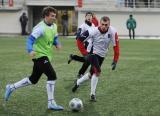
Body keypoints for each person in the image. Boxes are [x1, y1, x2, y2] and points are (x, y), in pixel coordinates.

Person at [4, 6, 64, 111]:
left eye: (55, 16)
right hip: (39, 55)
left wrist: (57, 44)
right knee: (52, 75)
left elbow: (54, 38)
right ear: (46, 16)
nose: (54, 18)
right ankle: (51, 103)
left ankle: (11, 87)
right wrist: (30, 50)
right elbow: (30, 40)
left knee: (33, 79)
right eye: (52, 16)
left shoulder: (54, 26)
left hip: (47, 55)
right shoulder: (39, 28)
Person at [72, 16, 120, 102]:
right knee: (98, 71)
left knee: (91, 74)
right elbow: (79, 40)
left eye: (106, 25)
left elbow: (116, 46)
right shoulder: (92, 31)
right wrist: (84, 53)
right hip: (92, 53)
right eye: (102, 24)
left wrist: (115, 60)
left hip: (102, 55)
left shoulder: (113, 31)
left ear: (109, 25)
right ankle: (92, 94)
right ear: (100, 24)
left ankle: (78, 82)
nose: (104, 26)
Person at [68, 12, 95, 78]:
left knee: (87, 60)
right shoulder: (83, 26)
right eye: (87, 16)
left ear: (92, 17)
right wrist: (79, 37)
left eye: (90, 16)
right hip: (85, 45)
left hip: (91, 45)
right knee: (88, 60)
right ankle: (80, 73)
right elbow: (78, 34)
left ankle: (73, 57)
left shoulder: (93, 25)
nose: (89, 17)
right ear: (85, 17)